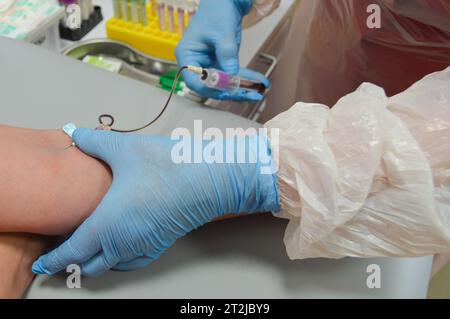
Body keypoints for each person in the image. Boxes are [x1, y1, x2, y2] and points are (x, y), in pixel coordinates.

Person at [31, 0, 450, 277]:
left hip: (429, 125)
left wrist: (253, 174)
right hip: (335, 29)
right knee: (289, 142)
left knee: (380, 250)